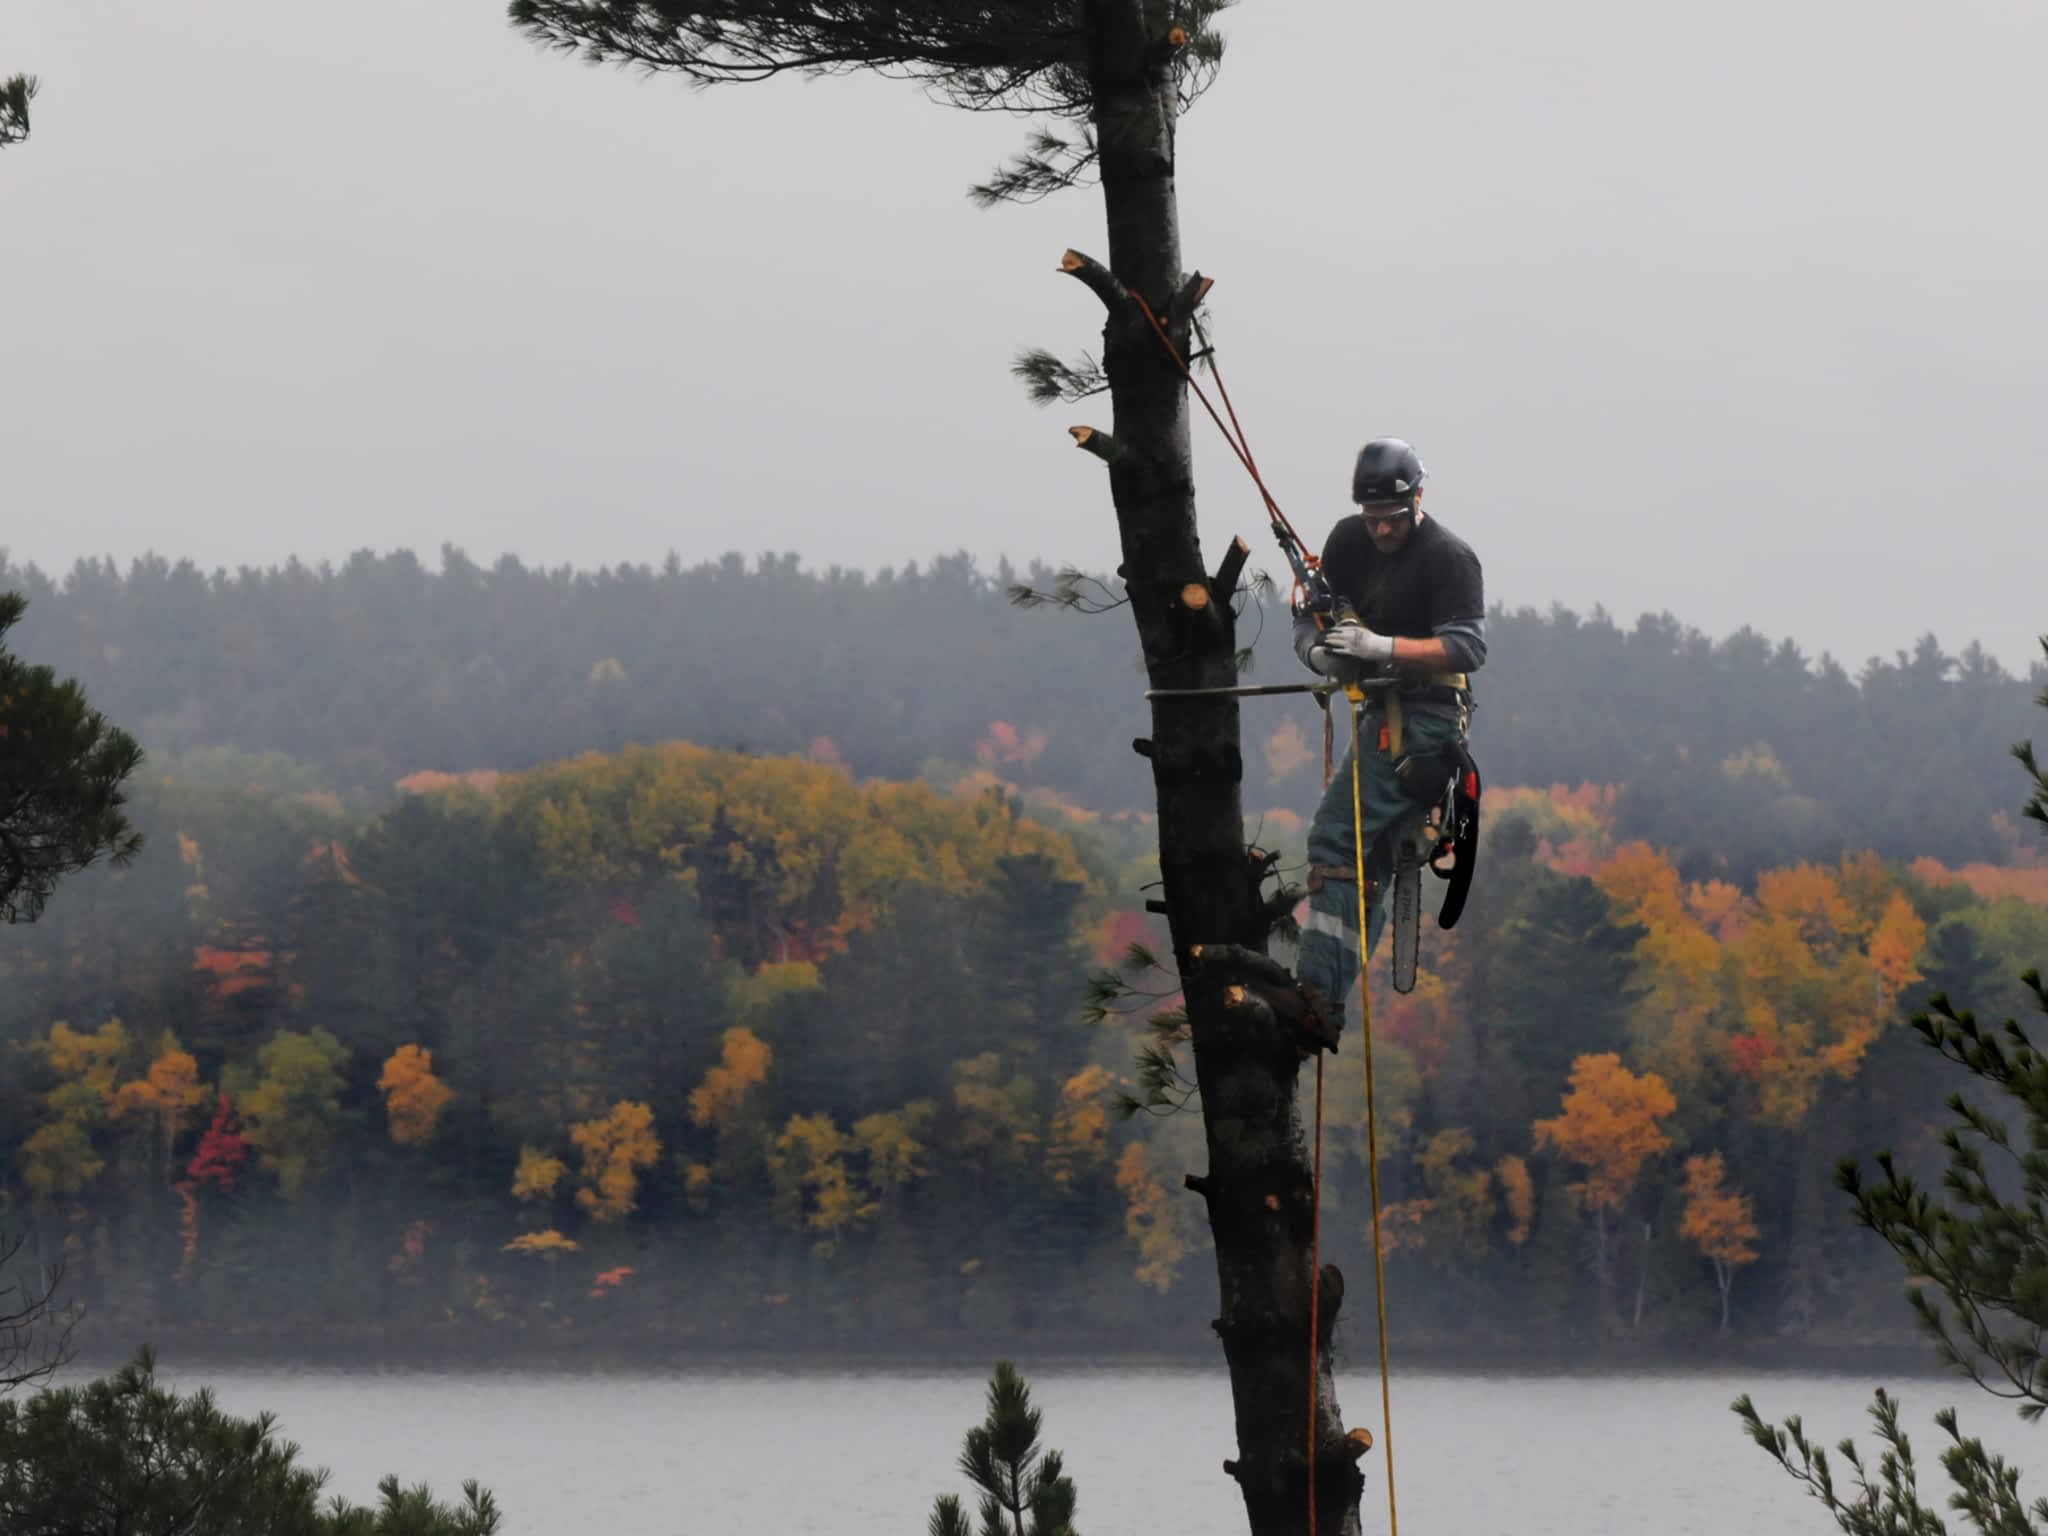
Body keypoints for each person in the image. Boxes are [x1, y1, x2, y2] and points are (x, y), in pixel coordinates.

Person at [1290, 437, 1486, 1036]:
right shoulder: (1347, 542)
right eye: (1373, 519)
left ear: (1417, 500)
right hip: (1381, 713)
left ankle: (1316, 996)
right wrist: (1319, 654)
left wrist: (1384, 649)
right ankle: (1325, 999)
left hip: (1422, 719)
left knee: (1332, 844)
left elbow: (1468, 646)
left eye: (1392, 519)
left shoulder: (1447, 558)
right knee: (1363, 862)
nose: (1381, 531)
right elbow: (1310, 612)